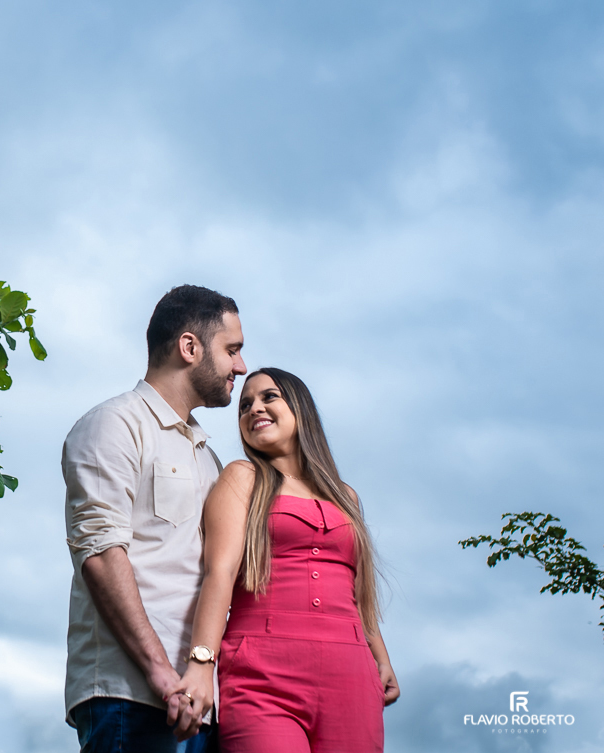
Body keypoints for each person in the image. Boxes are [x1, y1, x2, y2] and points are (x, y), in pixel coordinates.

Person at [174, 368, 400, 753]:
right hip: (260, 675)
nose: (253, 409)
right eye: (245, 405)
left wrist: (382, 659)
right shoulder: (242, 477)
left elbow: (358, 593)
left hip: (351, 672)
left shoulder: (347, 496)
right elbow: (220, 572)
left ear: (300, 408)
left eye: (268, 397)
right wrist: (201, 663)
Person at [63, 285, 247, 752]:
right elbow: (101, 555)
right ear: (190, 347)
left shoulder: (210, 458)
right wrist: (161, 675)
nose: (240, 368)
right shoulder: (113, 424)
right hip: (133, 698)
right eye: (232, 350)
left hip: (200, 702)